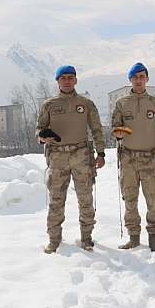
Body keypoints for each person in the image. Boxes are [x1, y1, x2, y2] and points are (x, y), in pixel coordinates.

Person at [36, 65, 106, 253]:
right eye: (63, 78)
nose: (67, 81)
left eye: (70, 77)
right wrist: (42, 136)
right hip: (57, 156)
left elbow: (97, 129)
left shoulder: (86, 103)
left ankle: (87, 237)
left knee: (85, 197)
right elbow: (39, 128)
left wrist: (101, 153)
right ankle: (54, 238)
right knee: (56, 198)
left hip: (81, 154)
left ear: (76, 80)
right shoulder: (49, 105)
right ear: (58, 81)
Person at [111, 62, 155, 252]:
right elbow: (115, 127)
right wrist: (118, 134)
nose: (138, 80)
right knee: (130, 199)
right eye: (135, 77)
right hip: (128, 158)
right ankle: (133, 236)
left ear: (147, 79)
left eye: (142, 77)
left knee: (152, 199)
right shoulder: (121, 103)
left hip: (149, 157)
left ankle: (154, 237)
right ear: (130, 80)